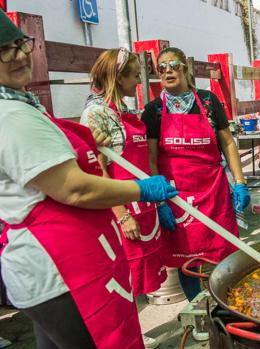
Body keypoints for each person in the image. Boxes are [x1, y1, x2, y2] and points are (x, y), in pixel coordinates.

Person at [0, 10, 177, 349]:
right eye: (5, 50)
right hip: (57, 270)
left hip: (71, 262)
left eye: (20, 44)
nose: (20, 55)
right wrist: (142, 190)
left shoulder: (22, 104)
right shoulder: (10, 116)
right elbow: (74, 188)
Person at [80, 48, 174, 348]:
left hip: (142, 202)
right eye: (134, 76)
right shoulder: (95, 114)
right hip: (122, 206)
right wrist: (122, 214)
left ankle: (134, 333)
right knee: (123, 277)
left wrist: (157, 203)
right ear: (118, 77)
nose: (137, 83)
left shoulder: (126, 109)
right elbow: (99, 171)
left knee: (139, 277)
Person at [141, 47, 249, 301]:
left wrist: (241, 182)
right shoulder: (153, 110)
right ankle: (197, 308)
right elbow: (151, 159)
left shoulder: (209, 101)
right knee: (187, 257)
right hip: (178, 198)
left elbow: (228, 143)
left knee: (224, 250)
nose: (168, 71)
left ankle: (228, 303)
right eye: (162, 67)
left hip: (214, 193)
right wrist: (159, 202)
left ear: (185, 68)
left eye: (173, 64)